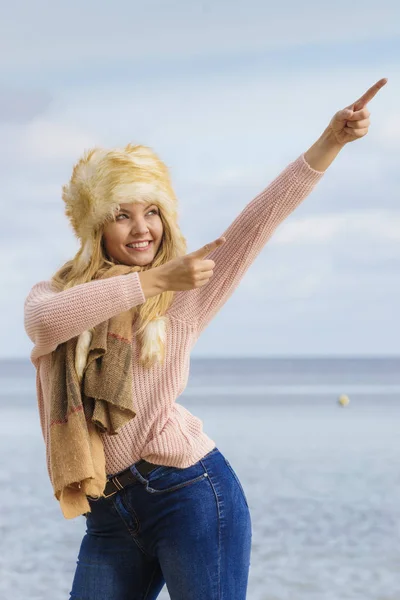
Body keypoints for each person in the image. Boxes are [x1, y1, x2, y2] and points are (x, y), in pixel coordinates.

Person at [24, 78, 387, 600]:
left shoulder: (185, 292)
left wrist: (329, 142)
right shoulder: (55, 295)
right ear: (96, 227)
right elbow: (46, 324)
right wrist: (150, 282)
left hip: (188, 493)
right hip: (107, 513)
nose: (141, 228)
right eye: (122, 215)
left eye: (151, 211)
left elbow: (259, 221)